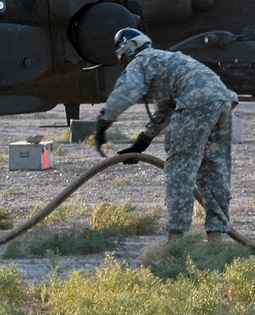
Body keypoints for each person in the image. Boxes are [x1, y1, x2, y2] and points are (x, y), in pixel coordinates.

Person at [94, 28, 238, 243]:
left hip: (196, 101)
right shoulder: (163, 60)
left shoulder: (141, 61)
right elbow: (164, 110)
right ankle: (216, 237)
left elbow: (127, 90)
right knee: (213, 168)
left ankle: (176, 239)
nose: (123, 62)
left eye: (122, 57)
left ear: (130, 49)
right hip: (222, 100)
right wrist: (140, 144)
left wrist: (103, 123)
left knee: (180, 165)